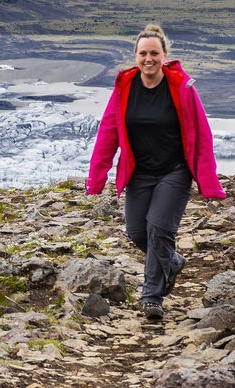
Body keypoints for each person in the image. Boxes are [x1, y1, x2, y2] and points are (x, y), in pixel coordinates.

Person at [86, 24, 225, 320]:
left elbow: (201, 134)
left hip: (174, 171)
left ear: (164, 55)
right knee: (137, 233)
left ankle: (151, 296)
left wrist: (209, 183)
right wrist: (96, 179)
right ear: (135, 55)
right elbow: (108, 132)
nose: (148, 58)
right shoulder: (125, 88)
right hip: (139, 173)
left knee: (159, 228)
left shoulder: (182, 88)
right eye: (143, 53)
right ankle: (172, 262)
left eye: (154, 53)